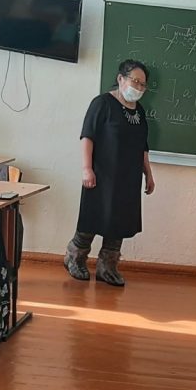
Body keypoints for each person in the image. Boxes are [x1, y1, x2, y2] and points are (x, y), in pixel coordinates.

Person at [64, 59, 155, 287]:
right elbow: (88, 136)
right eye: (135, 81)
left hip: (129, 179)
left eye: (143, 84)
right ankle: (75, 257)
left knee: (119, 223)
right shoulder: (102, 103)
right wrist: (87, 169)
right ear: (120, 79)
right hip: (102, 176)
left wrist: (148, 174)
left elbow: (143, 146)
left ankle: (108, 267)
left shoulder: (140, 112)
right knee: (92, 218)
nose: (138, 87)